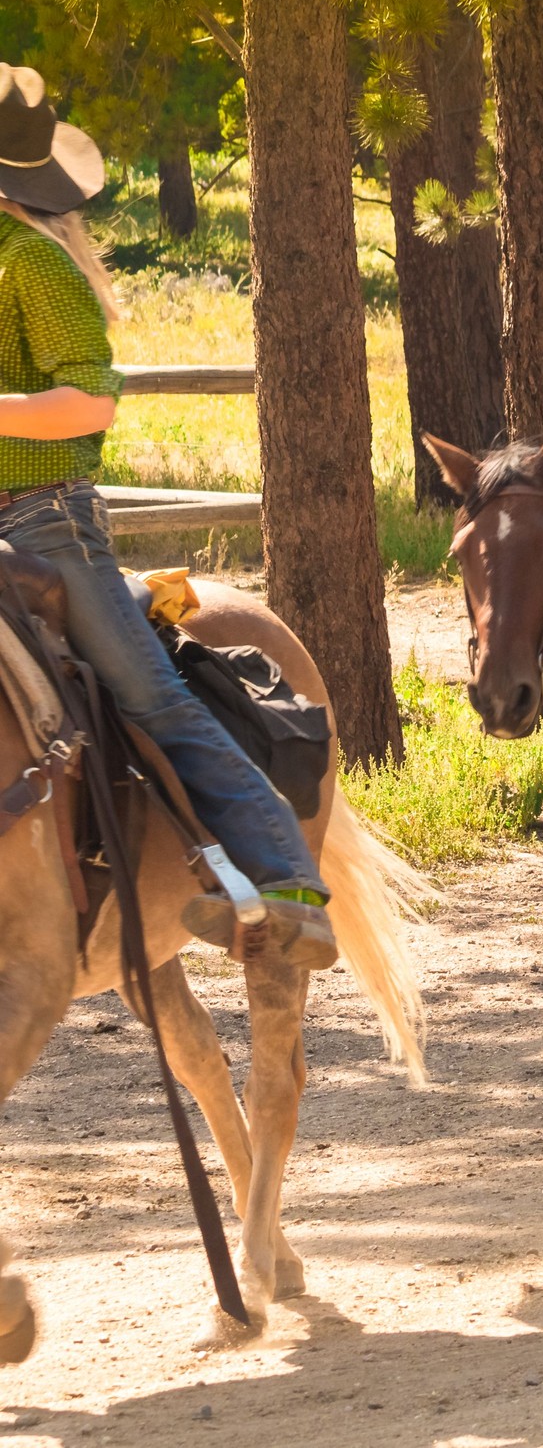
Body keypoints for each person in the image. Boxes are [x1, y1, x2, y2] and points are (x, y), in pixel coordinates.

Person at [0, 63, 335, 967]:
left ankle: (290, 884)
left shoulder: (32, 262)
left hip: (44, 523)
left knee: (158, 700)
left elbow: (89, 405)